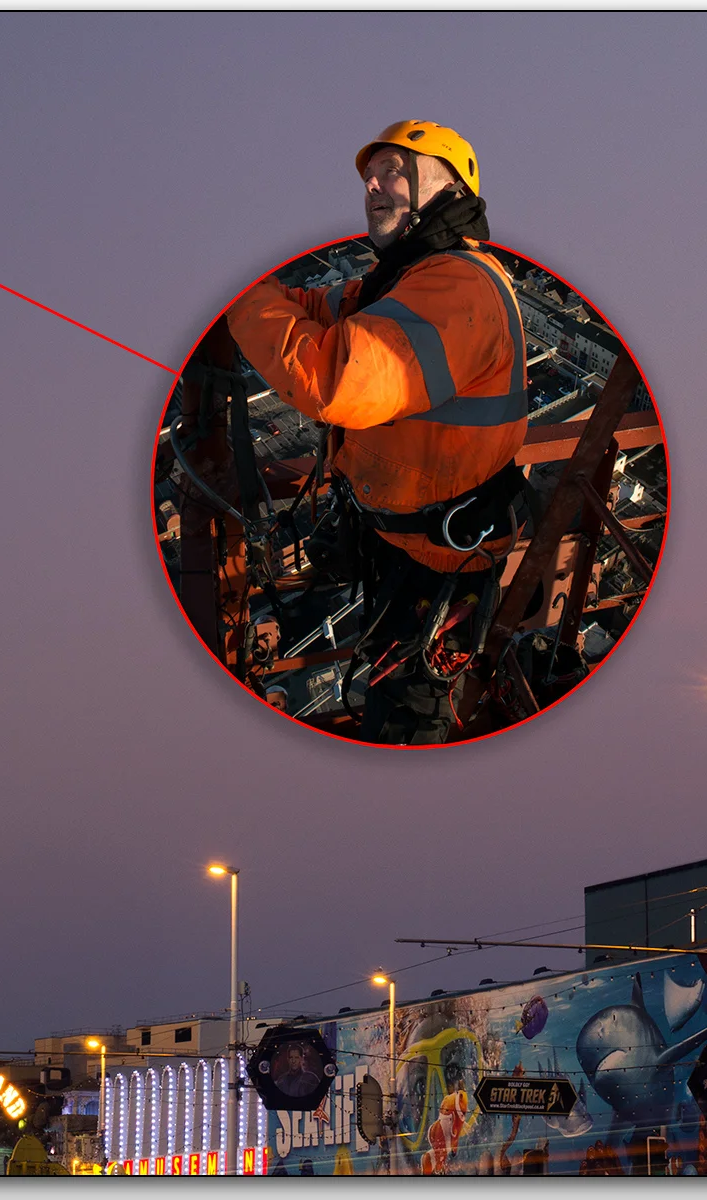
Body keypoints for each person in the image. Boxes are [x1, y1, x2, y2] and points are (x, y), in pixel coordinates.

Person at [226, 121, 530, 744]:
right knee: (397, 682)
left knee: (409, 708)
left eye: (394, 168)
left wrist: (239, 306)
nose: (371, 183)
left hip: (437, 560)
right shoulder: (399, 280)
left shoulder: (457, 287)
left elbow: (334, 381)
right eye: (370, 174)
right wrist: (260, 296)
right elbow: (315, 310)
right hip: (410, 539)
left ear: (447, 184)